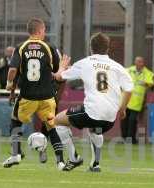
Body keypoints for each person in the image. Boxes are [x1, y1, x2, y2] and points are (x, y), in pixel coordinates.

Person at [53, 32, 134, 172]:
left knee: (57, 121)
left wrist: (62, 67)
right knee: (96, 129)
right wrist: (122, 108)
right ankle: (95, 164)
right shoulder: (117, 66)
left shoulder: (85, 63)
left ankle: (73, 158)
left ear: (91, 48)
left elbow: (59, 77)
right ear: (107, 49)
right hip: (110, 117)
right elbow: (129, 88)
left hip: (92, 111)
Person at [3, 18, 66, 170]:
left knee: (15, 121)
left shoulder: (21, 47)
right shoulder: (50, 47)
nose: (44, 33)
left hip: (27, 96)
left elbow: (13, 70)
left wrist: (9, 85)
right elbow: (59, 74)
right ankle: (60, 162)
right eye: (44, 30)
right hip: (47, 96)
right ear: (39, 31)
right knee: (51, 127)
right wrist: (62, 69)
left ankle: (16, 153)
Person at [121, 56, 154, 144]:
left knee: (132, 120)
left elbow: (151, 82)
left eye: (141, 62)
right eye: (138, 62)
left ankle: (131, 139)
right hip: (126, 99)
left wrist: (146, 83)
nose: (140, 64)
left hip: (137, 101)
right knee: (124, 119)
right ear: (135, 63)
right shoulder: (129, 70)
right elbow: (120, 75)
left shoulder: (147, 73)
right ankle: (124, 137)